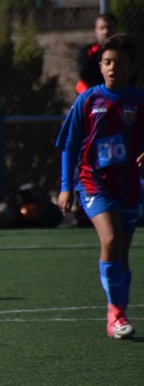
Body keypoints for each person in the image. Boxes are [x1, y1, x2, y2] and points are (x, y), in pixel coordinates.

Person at [56, 34, 144, 340]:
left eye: (119, 62)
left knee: (122, 252)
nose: (112, 67)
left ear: (131, 67)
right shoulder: (88, 100)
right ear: (100, 66)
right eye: (107, 62)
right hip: (93, 181)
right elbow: (69, 145)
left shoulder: (138, 101)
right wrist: (66, 186)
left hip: (128, 184)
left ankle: (118, 314)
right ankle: (116, 314)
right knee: (111, 239)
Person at [76, 13, 118, 94]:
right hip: (93, 92)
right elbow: (84, 74)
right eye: (102, 28)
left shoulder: (123, 52)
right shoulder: (87, 51)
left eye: (110, 28)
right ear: (96, 31)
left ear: (115, 30)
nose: (106, 31)